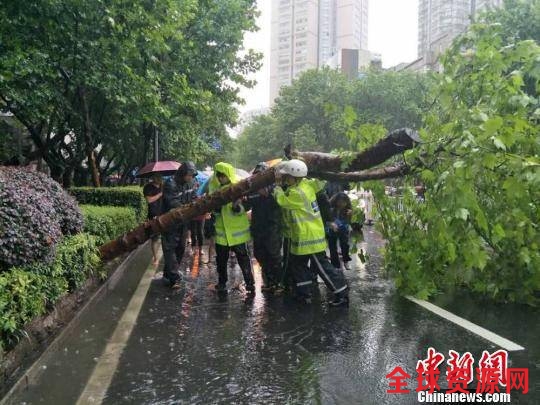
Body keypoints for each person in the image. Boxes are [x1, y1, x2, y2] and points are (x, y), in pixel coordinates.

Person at [273, 159, 349, 307]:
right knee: (298, 265)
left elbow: (282, 201)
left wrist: (276, 187)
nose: (285, 179)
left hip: (309, 237)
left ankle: (342, 292)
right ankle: (304, 293)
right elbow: (319, 182)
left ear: (295, 177)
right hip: (303, 237)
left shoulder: (297, 192)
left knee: (322, 267)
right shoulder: (307, 185)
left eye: (287, 176)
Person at [209, 162, 255, 294]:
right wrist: (216, 209)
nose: (220, 178)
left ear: (228, 175)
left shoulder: (238, 188)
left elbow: (246, 207)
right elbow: (214, 210)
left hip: (237, 234)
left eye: (222, 176)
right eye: (218, 176)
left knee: (244, 260)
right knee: (221, 261)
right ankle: (222, 283)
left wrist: (237, 207)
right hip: (222, 234)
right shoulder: (215, 190)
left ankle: (250, 284)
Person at [160, 161, 198, 288]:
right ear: (182, 173)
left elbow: (194, 197)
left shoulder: (190, 183)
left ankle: (168, 273)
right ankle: (174, 277)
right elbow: (173, 203)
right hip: (170, 222)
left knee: (181, 248)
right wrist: (190, 209)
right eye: (189, 175)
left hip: (183, 222)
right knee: (170, 249)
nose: (190, 178)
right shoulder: (170, 183)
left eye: (192, 175)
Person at [247, 162, 283, 293]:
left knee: (274, 255)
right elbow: (247, 204)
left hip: (272, 226)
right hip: (258, 227)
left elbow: (281, 203)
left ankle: (278, 283)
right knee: (259, 254)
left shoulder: (275, 188)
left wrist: (267, 194)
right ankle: (268, 281)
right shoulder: (252, 189)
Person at [328, 192, 353, 270]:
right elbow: (326, 218)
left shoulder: (347, 209)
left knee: (345, 245)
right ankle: (335, 265)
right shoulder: (330, 208)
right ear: (336, 201)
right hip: (332, 229)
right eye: (340, 202)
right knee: (332, 247)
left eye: (344, 202)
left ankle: (346, 261)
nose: (342, 204)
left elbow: (349, 220)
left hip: (343, 229)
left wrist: (351, 214)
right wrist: (331, 224)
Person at [143, 174, 163, 266]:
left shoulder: (163, 186)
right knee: (155, 238)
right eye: (157, 176)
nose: (159, 178)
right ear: (153, 177)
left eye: (160, 176)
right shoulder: (148, 187)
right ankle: (155, 258)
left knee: (166, 236)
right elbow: (149, 200)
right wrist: (159, 194)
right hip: (153, 215)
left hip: (164, 214)